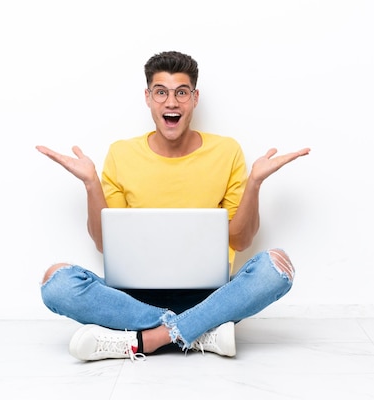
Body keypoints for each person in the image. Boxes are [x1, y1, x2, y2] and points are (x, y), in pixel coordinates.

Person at [36, 50, 310, 361]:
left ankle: (148, 339)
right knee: (56, 283)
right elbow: (104, 243)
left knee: (276, 268)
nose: (171, 102)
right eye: (161, 92)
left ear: (194, 98)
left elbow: (241, 240)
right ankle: (198, 333)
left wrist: (255, 183)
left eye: (181, 92)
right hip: (132, 298)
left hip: (210, 296)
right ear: (148, 98)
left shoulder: (227, 151)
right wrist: (90, 184)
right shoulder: (121, 153)